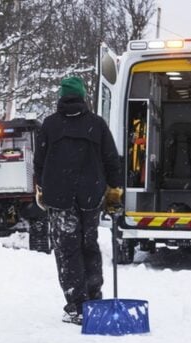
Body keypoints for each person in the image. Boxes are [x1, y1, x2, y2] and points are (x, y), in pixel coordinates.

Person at [33, 76, 123, 325]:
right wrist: (114, 190)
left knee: (67, 249)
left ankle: (76, 304)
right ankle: (94, 298)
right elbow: (111, 159)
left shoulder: (50, 125)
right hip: (91, 195)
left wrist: (42, 186)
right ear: (82, 96)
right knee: (89, 244)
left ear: (61, 97)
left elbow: (38, 162)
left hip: (59, 196)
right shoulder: (96, 124)